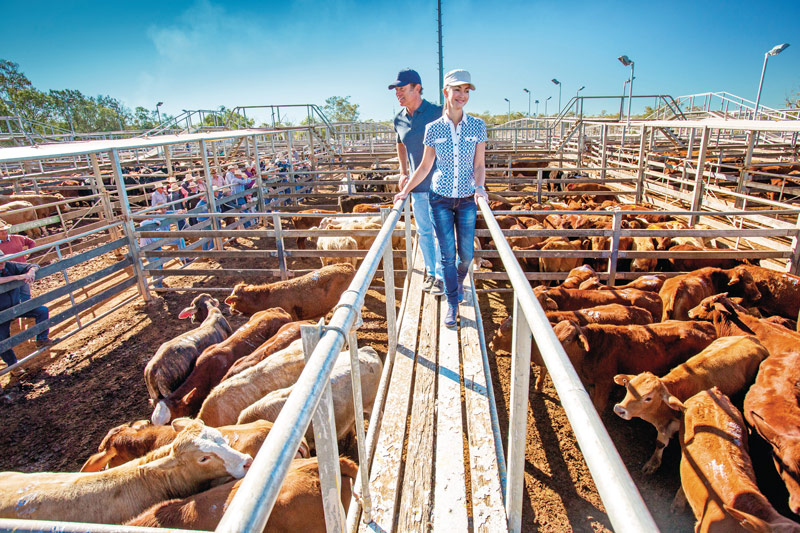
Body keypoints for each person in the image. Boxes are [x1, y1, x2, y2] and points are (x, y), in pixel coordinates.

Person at [394, 69, 488, 327]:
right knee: (447, 255)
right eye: (457, 90)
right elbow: (425, 166)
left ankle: (456, 281)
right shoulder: (433, 128)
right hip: (440, 198)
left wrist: (480, 187)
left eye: (466, 91)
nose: (462, 96)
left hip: (467, 197)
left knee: (466, 255)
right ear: (446, 92)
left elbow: (479, 165)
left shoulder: (477, 126)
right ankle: (452, 303)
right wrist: (406, 189)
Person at [390, 68, 445, 295]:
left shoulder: (438, 112)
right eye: (396, 90)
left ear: (417, 88)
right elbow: (400, 144)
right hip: (417, 188)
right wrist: (403, 171)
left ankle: (442, 276)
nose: (398, 94)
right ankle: (431, 273)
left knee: (442, 232)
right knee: (423, 232)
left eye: (402, 89)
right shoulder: (399, 119)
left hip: (441, 187)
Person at [0, 253, 51, 372]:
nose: (2, 263)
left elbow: (33, 265)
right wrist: (16, 277)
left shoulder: (10, 265)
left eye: (3, 260)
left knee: (42, 311)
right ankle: (13, 366)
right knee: (3, 339)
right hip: (1, 314)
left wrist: (31, 272)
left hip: (15, 306)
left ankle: (42, 339)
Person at [0, 220, 37, 302]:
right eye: (1, 231)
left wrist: (28, 252)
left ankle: (26, 309)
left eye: (5, 230)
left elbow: (31, 242)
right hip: (6, 273)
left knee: (25, 294)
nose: (4, 232)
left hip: (21, 269)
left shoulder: (17, 238)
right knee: (10, 297)